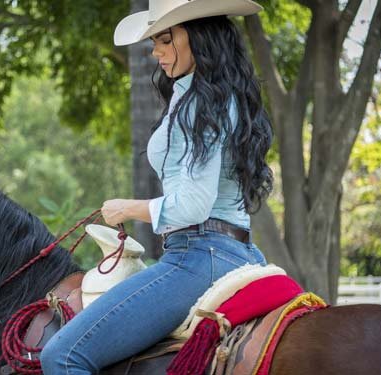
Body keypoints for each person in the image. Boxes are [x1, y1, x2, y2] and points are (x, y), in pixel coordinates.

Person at [40, 0, 273, 373]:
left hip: (198, 257)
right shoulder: (219, 96)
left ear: (198, 38)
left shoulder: (200, 103)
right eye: (154, 41)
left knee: (61, 355)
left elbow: (194, 205)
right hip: (242, 254)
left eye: (166, 39)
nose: (156, 51)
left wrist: (126, 208)